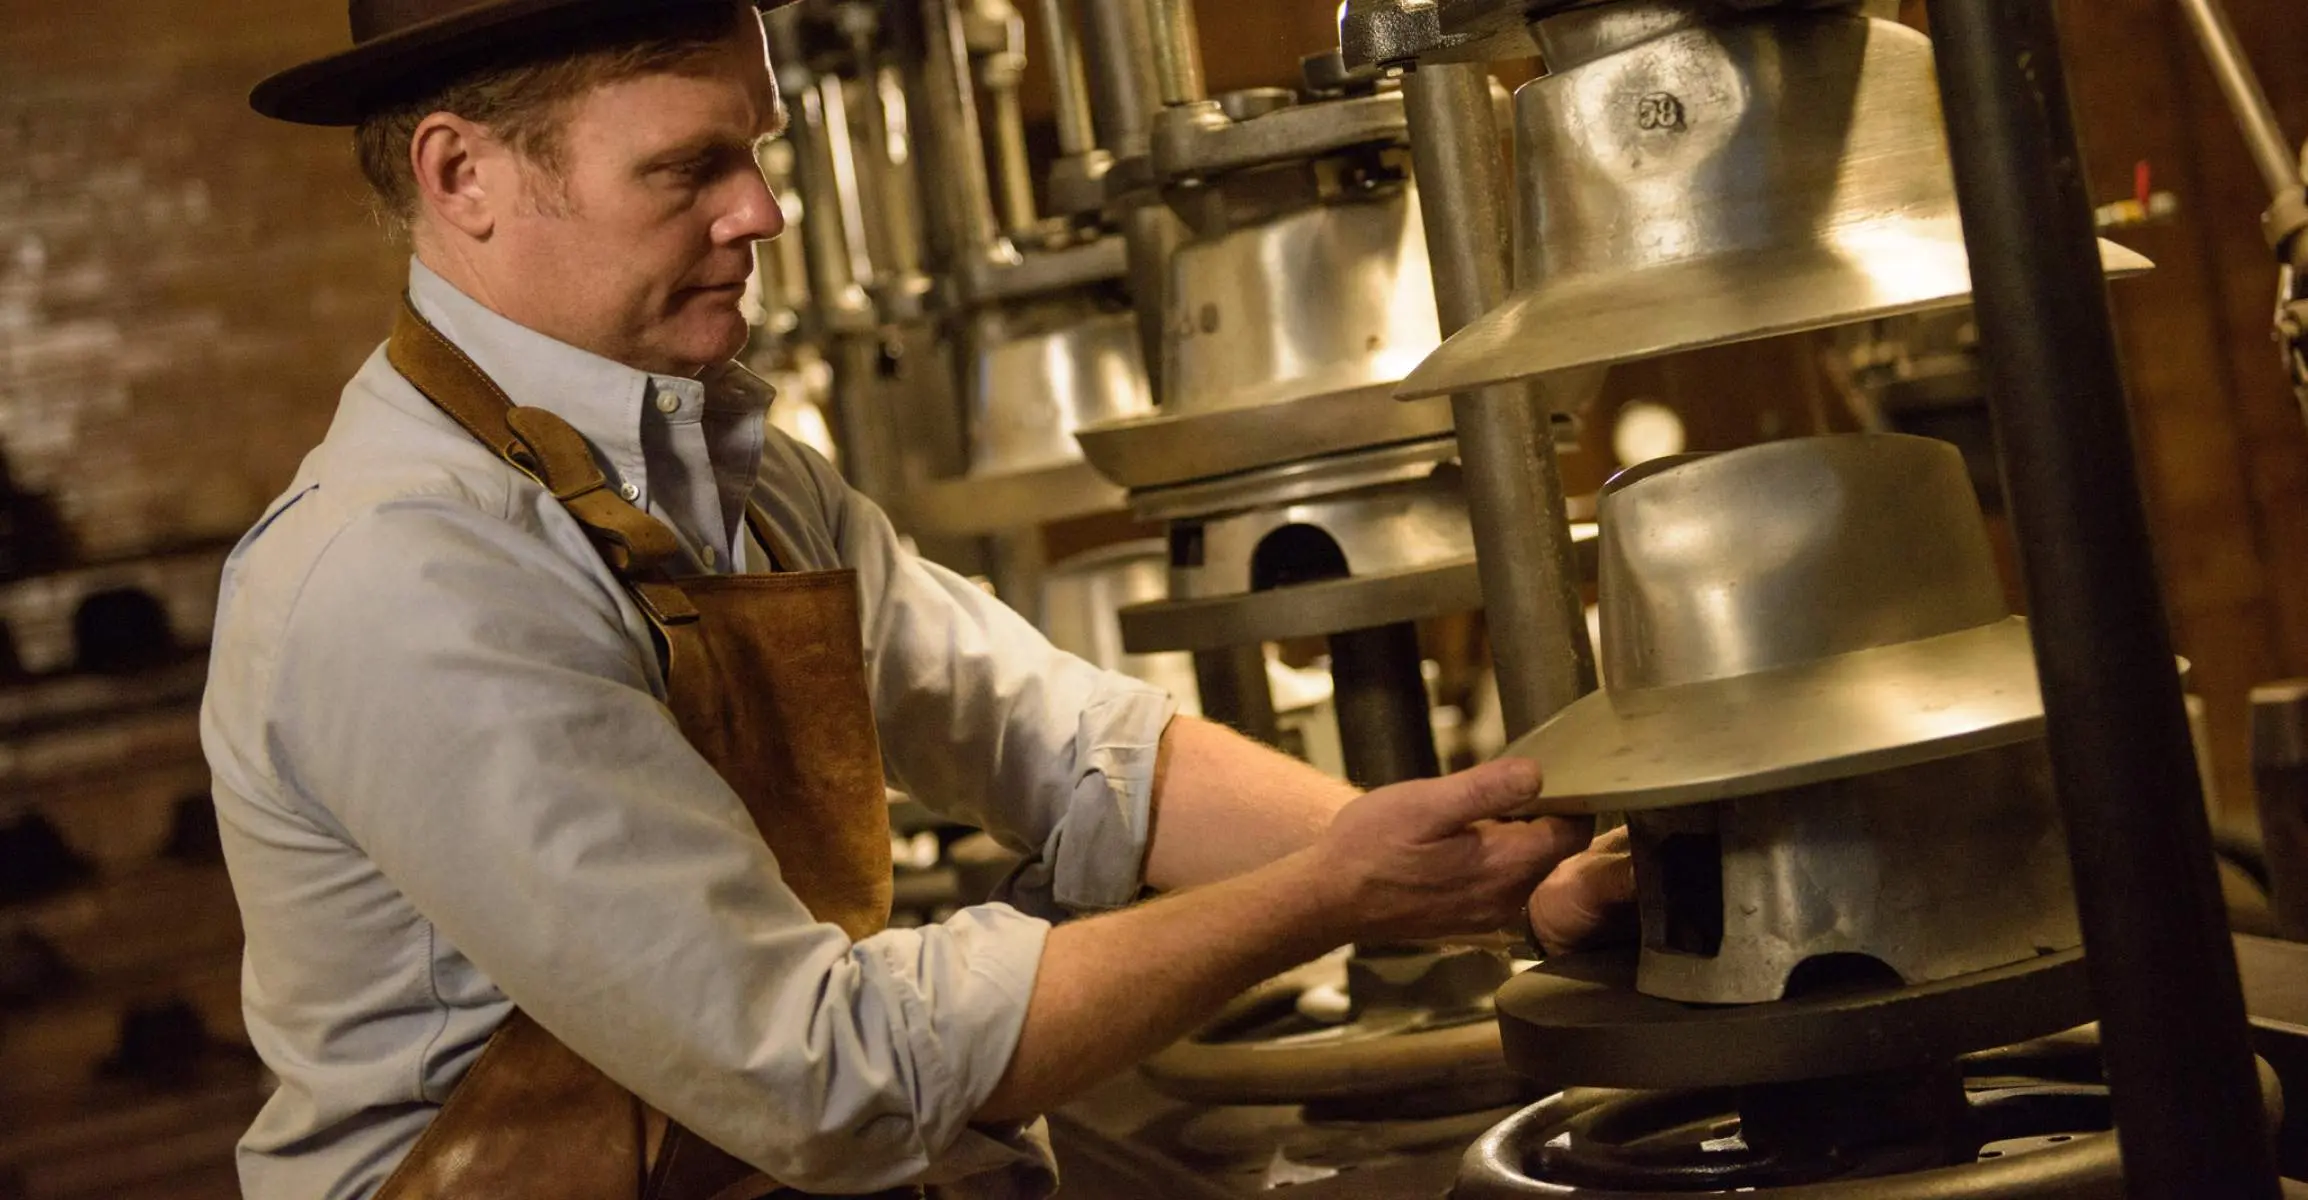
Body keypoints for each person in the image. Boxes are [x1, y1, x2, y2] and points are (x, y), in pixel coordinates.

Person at [208, 1, 1636, 1196]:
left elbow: (1072, 750)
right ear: (465, 179)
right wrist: (1327, 895)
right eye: (689, 168)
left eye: (755, 151)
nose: (761, 211)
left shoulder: (742, 476)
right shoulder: (408, 570)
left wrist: (1486, 882)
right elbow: (820, 1073)